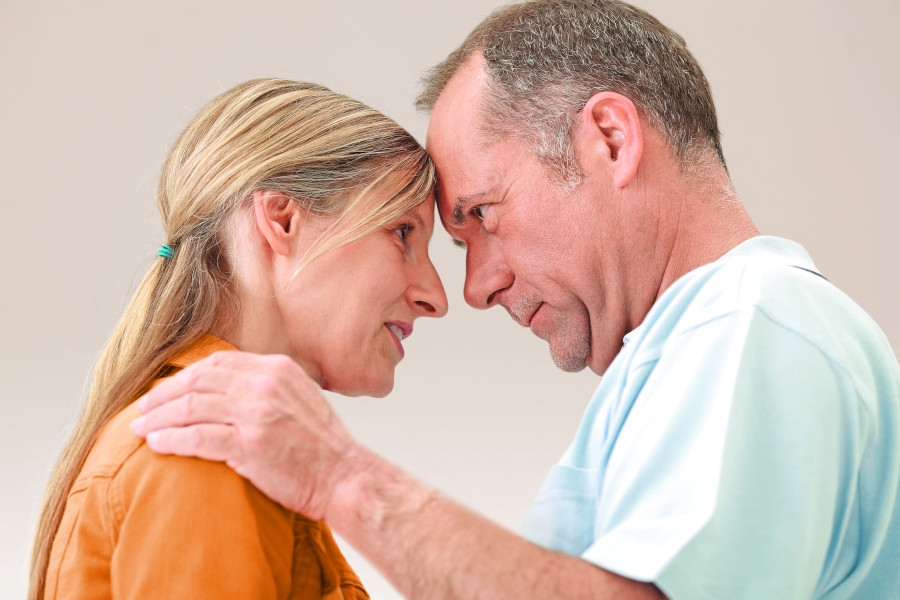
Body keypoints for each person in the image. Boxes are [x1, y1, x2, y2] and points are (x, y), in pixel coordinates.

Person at [131, 1, 900, 598]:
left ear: (609, 137)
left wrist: (341, 478)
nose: (472, 287)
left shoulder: (756, 328)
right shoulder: (692, 353)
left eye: (482, 216)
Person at [30, 78, 448, 599]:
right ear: (283, 219)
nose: (437, 295)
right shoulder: (205, 449)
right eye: (403, 232)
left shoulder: (221, 438)